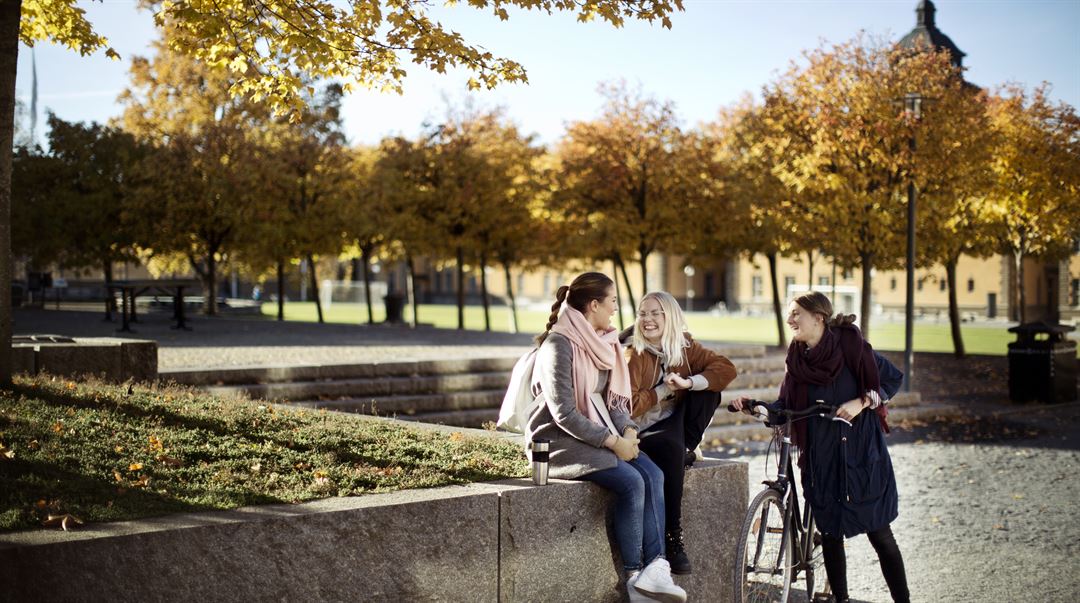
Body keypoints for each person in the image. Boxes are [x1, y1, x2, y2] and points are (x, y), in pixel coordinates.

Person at [732, 291, 909, 603]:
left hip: (861, 456)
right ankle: (840, 599)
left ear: (819, 318)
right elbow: (785, 405)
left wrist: (862, 401)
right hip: (822, 457)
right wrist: (755, 407)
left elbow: (892, 379)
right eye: (790, 314)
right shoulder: (797, 362)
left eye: (796, 314)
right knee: (830, 534)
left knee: (880, 535)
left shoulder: (852, 348)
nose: (790, 320)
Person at [527, 272, 686, 602]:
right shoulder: (559, 344)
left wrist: (627, 429)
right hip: (560, 440)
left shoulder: (605, 341)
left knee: (654, 474)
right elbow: (563, 413)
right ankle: (634, 578)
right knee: (632, 482)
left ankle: (656, 569)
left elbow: (612, 400)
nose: (616, 308)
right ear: (594, 304)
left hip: (599, 432)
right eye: (612, 301)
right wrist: (614, 443)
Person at [623, 291, 737, 575]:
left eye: (655, 313)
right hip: (641, 429)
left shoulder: (683, 346)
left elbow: (726, 368)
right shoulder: (633, 353)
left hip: (673, 424)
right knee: (671, 449)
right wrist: (663, 390)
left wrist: (688, 382)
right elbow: (628, 406)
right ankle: (673, 535)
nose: (647, 320)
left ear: (669, 316)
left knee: (708, 392)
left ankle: (684, 448)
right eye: (642, 314)